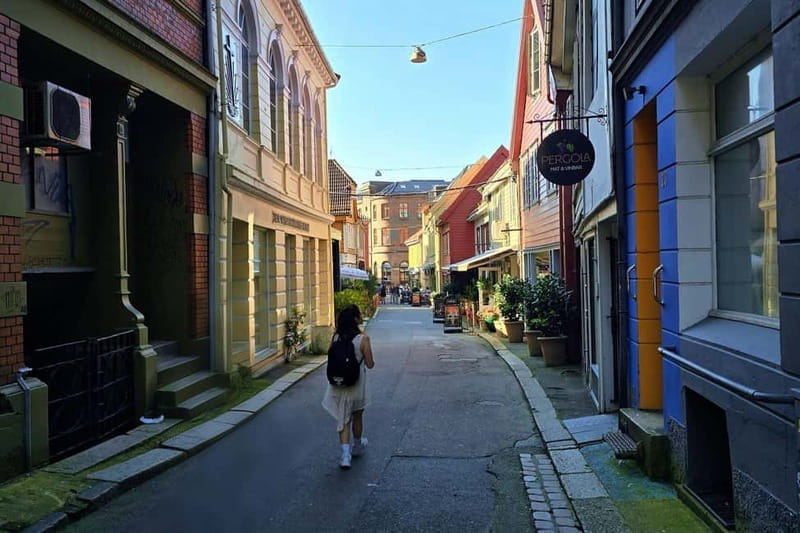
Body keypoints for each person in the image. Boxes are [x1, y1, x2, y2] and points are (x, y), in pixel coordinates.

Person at [322, 304, 375, 469]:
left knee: (343, 418)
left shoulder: (336, 337)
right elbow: (370, 364)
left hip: (337, 384)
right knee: (357, 416)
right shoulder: (363, 339)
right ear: (356, 319)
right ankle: (357, 445)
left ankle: (345, 456)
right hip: (356, 384)